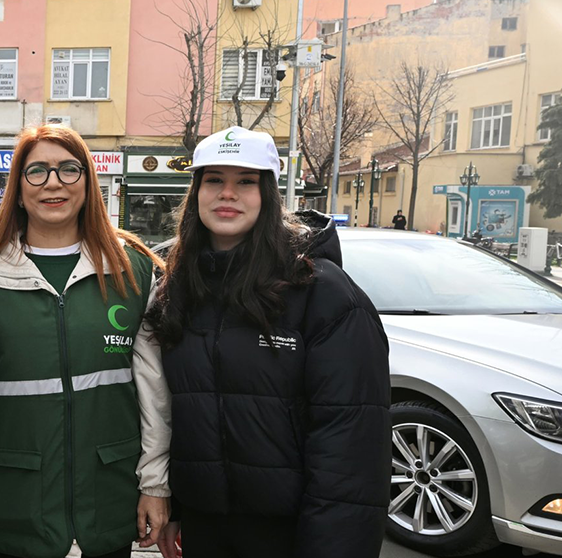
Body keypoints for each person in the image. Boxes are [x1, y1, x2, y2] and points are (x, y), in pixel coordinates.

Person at [147, 126, 390, 558]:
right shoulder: (178, 287)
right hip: (206, 528)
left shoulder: (323, 294)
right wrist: (179, 505)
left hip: (292, 533)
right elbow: (183, 414)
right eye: (214, 179)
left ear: (268, 195)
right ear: (196, 191)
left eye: (246, 181)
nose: (228, 193)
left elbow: (350, 446)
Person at [0, 125, 171, 558]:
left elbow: (155, 392)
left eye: (69, 169)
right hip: (13, 504)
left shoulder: (132, 270)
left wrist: (155, 484)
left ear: (88, 182)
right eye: (37, 171)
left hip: (107, 499)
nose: (53, 183)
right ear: (17, 188)